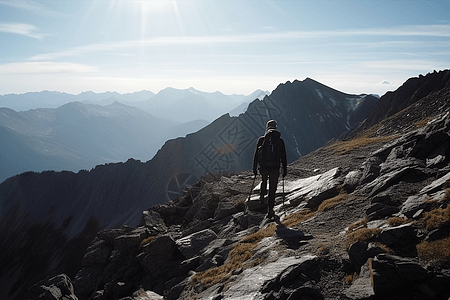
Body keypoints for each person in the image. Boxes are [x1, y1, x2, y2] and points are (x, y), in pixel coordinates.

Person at [253, 120, 287, 219]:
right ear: (275, 127)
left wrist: (254, 168)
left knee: (264, 181)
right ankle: (270, 209)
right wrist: (284, 170)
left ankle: (262, 197)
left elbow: (256, 155)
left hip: (263, 167)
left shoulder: (261, 140)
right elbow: (283, 156)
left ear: (267, 127)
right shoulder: (280, 141)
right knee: (272, 188)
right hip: (275, 168)